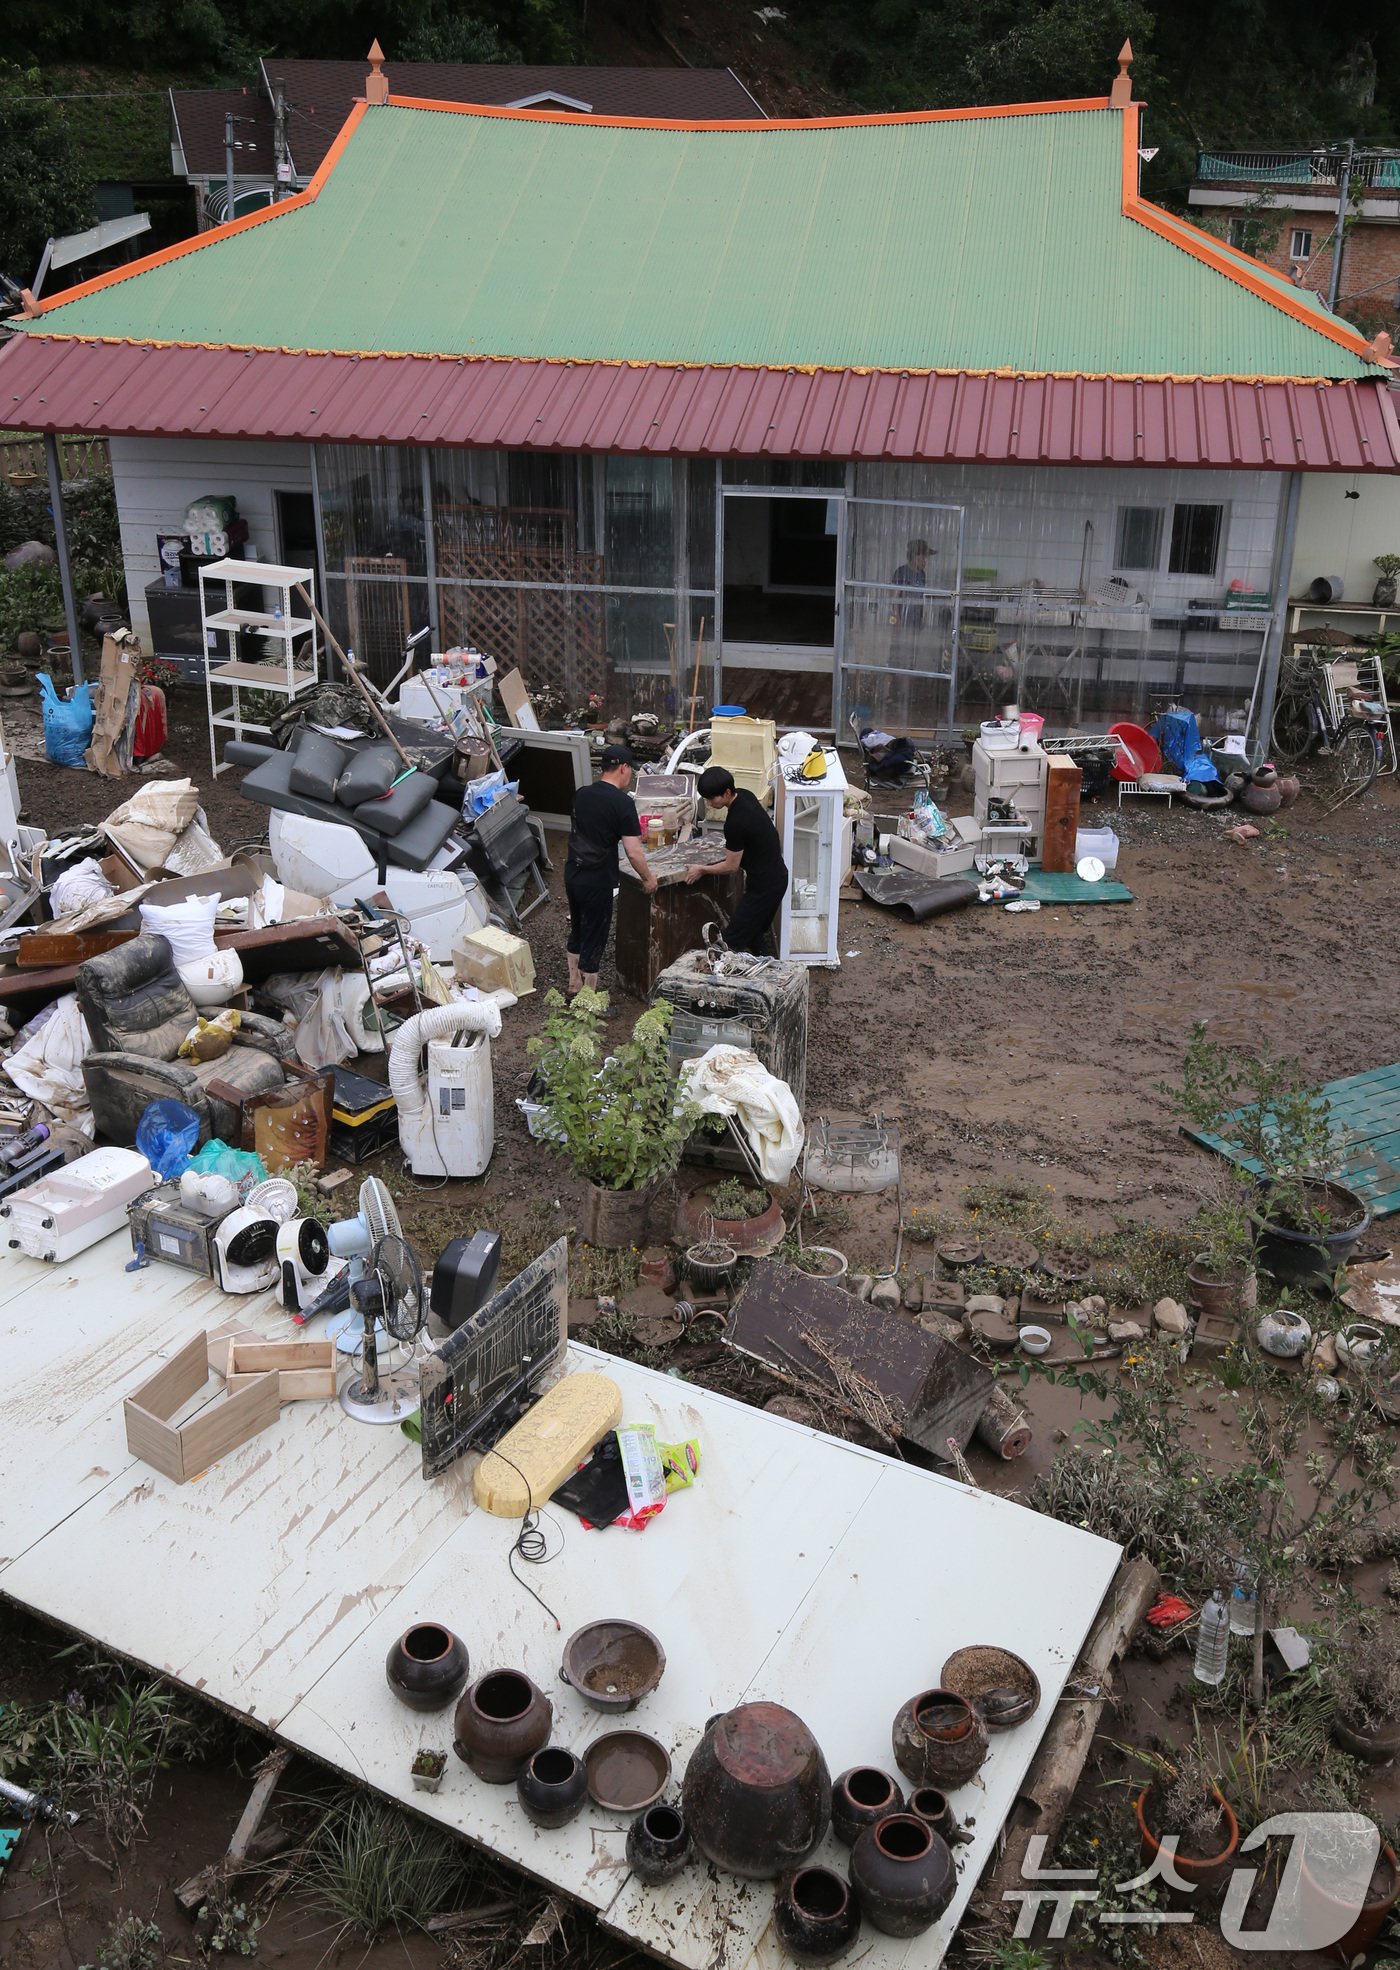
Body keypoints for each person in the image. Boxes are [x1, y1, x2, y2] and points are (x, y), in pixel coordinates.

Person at [565, 744, 656, 993]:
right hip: (597, 879)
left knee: (578, 929)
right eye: (631, 771)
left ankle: (574, 984)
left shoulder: (582, 793)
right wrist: (648, 878)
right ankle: (588, 999)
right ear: (624, 768)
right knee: (595, 935)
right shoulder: (622, 803)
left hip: (573, 872)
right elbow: (634, 851)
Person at [684, 766, 789, 955]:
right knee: (753, 931)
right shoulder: (745, 795)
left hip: (765, 888)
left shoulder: (735, 823)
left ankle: (720, 976)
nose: (708, 803)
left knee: (731, 940)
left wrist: (701, 869)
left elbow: (731, 866)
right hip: (776, 875)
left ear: (726, 792)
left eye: (711, 798)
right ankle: (765, 964)